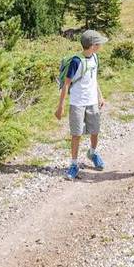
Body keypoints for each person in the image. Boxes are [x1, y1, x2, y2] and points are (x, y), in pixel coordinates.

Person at [55, 29, 108, 180]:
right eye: (99, 43)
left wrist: (100, 95)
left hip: (92, 101)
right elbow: (66, 84)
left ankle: (92, 152)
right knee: (76, 134)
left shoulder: (95, 58)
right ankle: (73, 164)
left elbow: (94, 79)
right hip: (77, 103)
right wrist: (61, 106)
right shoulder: (76, 62)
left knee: (95, 130)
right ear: (92, 45)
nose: (100, 46)